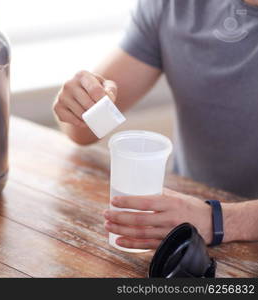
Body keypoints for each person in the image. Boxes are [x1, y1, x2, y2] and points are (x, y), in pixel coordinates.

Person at [53, 0, 258, 249]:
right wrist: (80, 103)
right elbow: (81, 132)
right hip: (185, 226)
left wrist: (217, 219)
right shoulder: (172, 6)